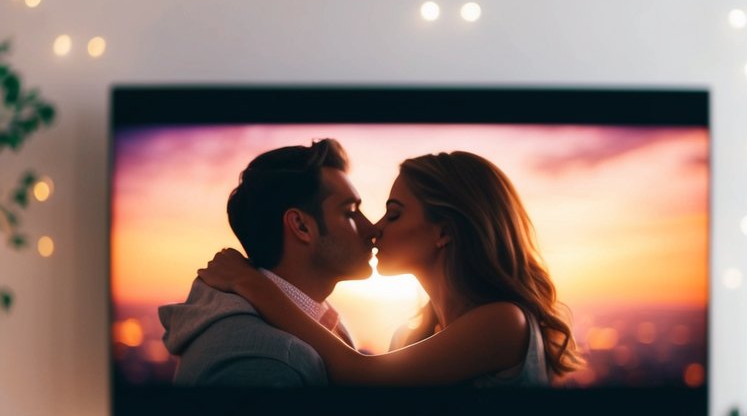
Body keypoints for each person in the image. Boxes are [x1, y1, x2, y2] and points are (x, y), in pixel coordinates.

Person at [197, 150, 581, 386]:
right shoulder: (412, 336)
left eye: (393, 214)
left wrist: (254, 284)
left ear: (443, 231)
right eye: (354, 213)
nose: (375, 228)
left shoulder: (503, 323)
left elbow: (362, 375)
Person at [159, 138, 374, 386]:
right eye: (349, 213)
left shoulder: (322, 324)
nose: (371, 229)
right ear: (301, 226)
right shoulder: (264, 363)